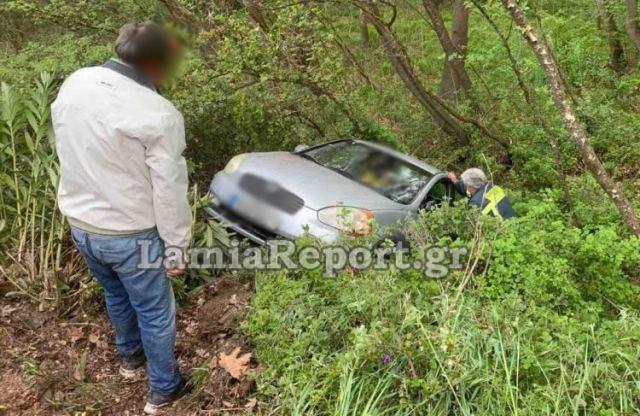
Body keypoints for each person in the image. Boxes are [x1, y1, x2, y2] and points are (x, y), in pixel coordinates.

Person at [52, 22, 191, 415]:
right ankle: (164, 389)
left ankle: (130, 358)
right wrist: (177, 247)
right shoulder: (159, 113)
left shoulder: (76, 83)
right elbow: (168, 188)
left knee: (115, 293)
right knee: (154, 311)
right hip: (131, 232)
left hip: (82, 224)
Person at [448, 168, 516, 220]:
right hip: (513, 222)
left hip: (502, 232)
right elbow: (468, 191)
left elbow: (470, 226)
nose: (466, 187)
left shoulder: (475, 203)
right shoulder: (494, 187)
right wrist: (455, 181)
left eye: (466, 185)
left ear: (471, 186)